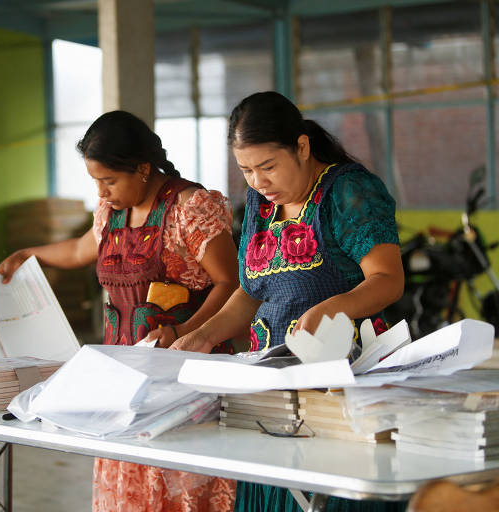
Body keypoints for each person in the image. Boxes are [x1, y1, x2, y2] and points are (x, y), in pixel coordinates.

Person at [174, 91, 406, 511]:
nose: (258, 182)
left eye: (268, 167)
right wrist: (202, 335)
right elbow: (251, 292)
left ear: (301, 146)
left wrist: (334, 307)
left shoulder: (346, 191)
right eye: (246, 170)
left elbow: (387, 279)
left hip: (340, 393)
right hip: (274, 395)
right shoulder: (261, 207)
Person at [0, 110, 239, 511]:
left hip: (184, 384)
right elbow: (78, 249)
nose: (102, 192)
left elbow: (231, 284)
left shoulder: (190, 207)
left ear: (142, 169)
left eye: (109, 180)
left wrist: (185, 333)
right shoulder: (111, 213)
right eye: (96, 181)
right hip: (121, 383)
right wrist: (28, 253)